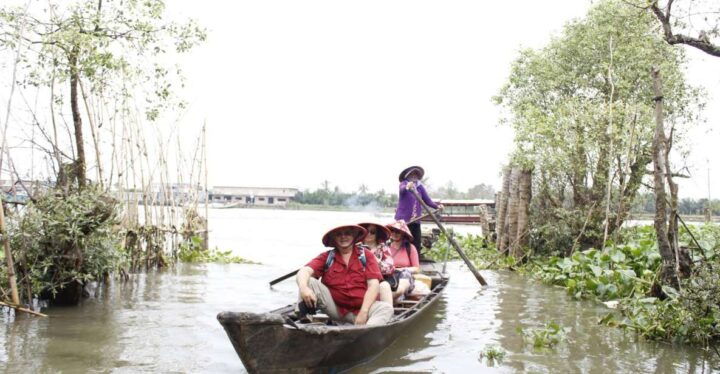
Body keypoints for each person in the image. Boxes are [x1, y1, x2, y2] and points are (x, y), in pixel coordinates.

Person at [296, 224, 393, 326]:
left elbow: (373, 285)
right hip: (337, 309)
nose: (343, 237)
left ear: (354, 236)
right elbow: (304, 271)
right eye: (339, 234)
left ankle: (364, 332)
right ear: (334, 238)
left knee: (386, 308)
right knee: (308, 281)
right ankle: (304, 319)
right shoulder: (327, 257)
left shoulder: (366, 255)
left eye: (347, 233)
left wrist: (363, 312)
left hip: (364, 309)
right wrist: (304, 289)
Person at [395, 165, 443, 258]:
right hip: (403, 220)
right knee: (403, 241)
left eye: (416, 174)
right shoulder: (404, 183)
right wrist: (407, 187)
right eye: (412, 174)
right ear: (407, 175)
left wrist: (437, 206)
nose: (414, 176)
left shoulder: (420, 187)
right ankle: (401, 260)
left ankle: (415, 261)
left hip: (416, 220)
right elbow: (402, 190)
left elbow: (427, 200)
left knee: (416, 241)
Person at [358, 222, 394, 304]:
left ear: (377, 234)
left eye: (373, 232)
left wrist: (374, 259)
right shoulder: (355, 247)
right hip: (358, 280)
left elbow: (390, 268)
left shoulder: (383, 248)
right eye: (366, 231)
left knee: (385, 287)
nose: (369, 234)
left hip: (378, 281)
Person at [386, 220, 420, 300]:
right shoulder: (385, 247)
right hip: (389, 276)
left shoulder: (410, 248)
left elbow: (416, 268)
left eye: (398, 232)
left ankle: (398, 295)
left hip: (404, 279)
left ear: (403, 234)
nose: (394, 233)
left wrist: (400, 270)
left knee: (405, 273)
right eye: (392, 231)